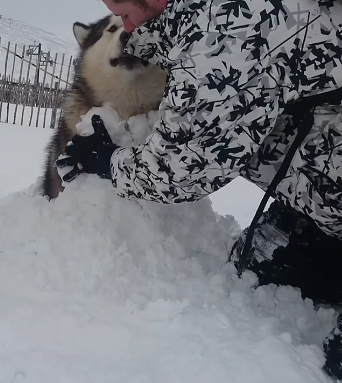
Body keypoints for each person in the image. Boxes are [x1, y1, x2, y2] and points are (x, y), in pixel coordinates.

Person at [55, 0, 342, 379]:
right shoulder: (200, 22)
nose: (113, 11)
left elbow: (184, 165)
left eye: (120, 5)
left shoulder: (224, 26)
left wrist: (108, 162)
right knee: (257, 272)